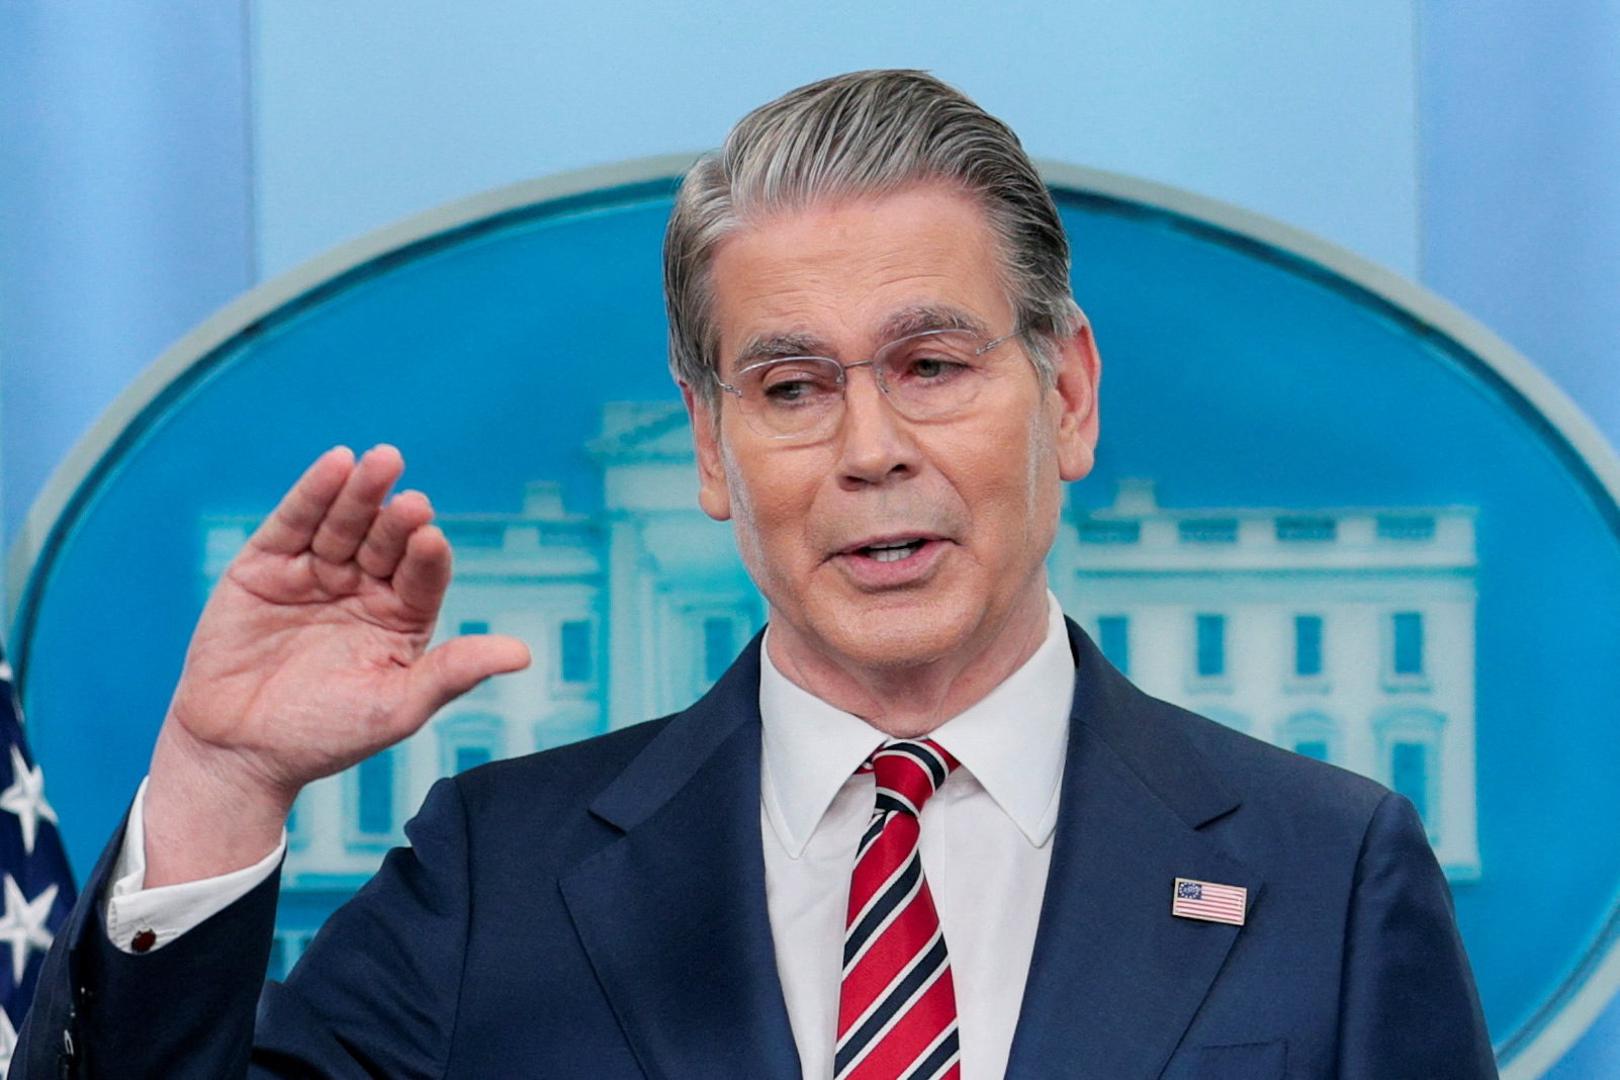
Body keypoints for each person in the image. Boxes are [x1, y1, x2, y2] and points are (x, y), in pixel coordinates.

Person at [15, 69, 1495, 1079]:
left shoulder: (1329, 871)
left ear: (1067, 394)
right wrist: (218, 785)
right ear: (712, 449)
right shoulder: (493, 878)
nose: (870, 450)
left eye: (932, 365)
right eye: (790, 389)